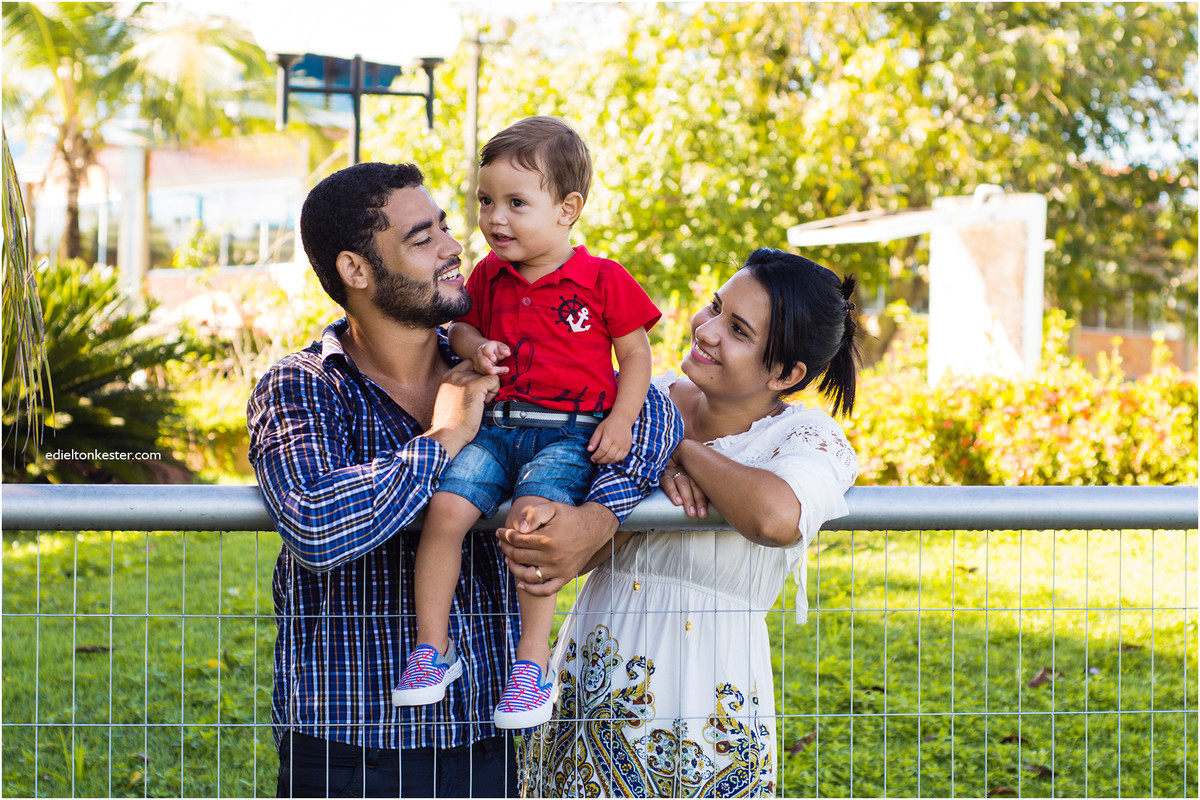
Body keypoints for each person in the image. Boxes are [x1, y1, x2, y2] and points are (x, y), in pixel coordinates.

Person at [246, 161, 681, 798]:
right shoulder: (303, 386)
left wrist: (597, 519)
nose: (456, 248)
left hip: (487, 736)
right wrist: (443, 439)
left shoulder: (502, 363)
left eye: (447, 228)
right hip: (349, 742)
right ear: (356, 270)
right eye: (424, 240)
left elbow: (653, 416)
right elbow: (315, 522)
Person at [515, 248, 862, 797]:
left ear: (786, 372)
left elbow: (775, 516)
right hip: (594, 673)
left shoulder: (802, 438)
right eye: (715, 307)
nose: (707, 330)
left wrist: (678, 448)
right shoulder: (640, 402)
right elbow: (575, 537)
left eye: (739, 329)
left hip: (709, 694)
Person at [393, 116, 661, 731]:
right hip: (495, 426)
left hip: (568, 432)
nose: (495, 218)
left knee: (532, 526)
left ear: (568, 209)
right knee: (446, 514)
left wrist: (622, 419)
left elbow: (637, 355)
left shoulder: (602, 279)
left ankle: (530, 666)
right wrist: (473, 345)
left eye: (517, 203)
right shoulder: (488, 274)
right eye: (486, 201)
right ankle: (432, 651)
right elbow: (458, 328)